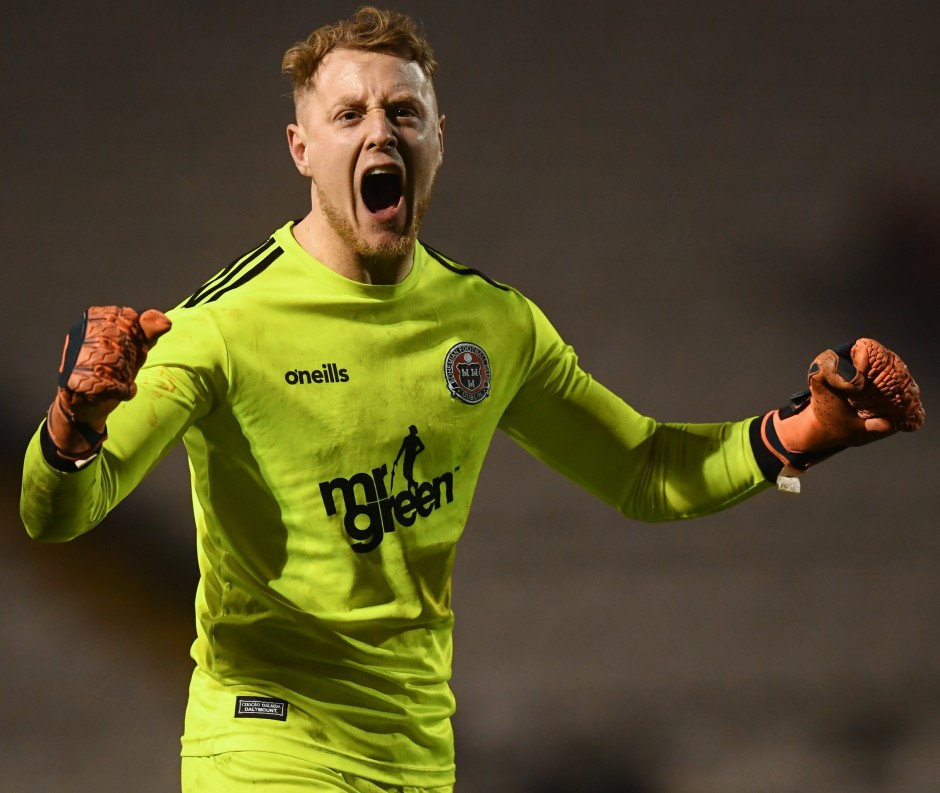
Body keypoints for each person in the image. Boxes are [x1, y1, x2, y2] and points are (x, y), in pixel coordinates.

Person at [19, 7, 924, 793]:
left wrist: (811, 429)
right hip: (266, 738)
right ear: (303, 149)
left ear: (438, 137)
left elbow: (644, 470)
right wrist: (75, 423)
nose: (380, 131)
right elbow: (54, 513)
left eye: (402, 111)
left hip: (418, 751)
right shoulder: (217, 327)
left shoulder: (493, 326)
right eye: (348, 114)